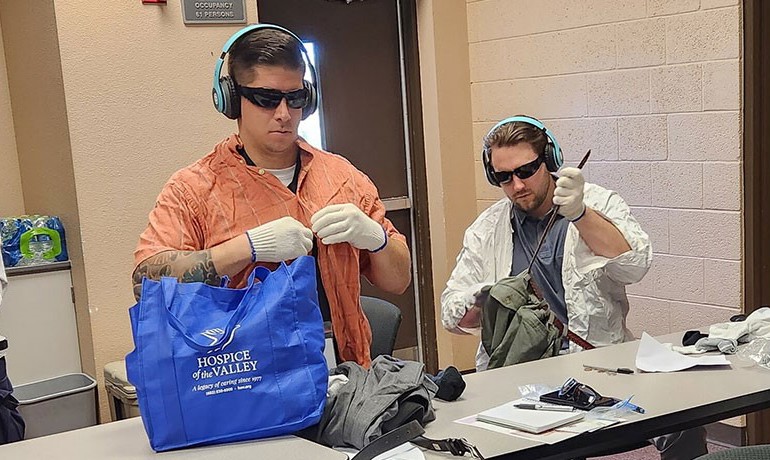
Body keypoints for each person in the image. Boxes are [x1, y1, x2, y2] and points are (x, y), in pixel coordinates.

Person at [132, 24, 411, 367]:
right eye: (266, 99)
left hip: (345, 377)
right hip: (246, 383)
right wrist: (244, 248)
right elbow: (145, 282)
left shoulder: (343, 177)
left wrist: (376, 238)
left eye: (295, 99)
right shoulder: (194, 188)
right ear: (232, 99)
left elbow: (399, 280)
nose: (283, 113)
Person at [440, 115, 706, 460]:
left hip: (599, 364)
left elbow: (635, 264)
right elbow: (451, 315)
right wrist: (483, 300)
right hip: (517, 375)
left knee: (685, 419)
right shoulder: (487, 229)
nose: (517, 185)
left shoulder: (598, 203)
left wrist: (581, 214)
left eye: (526, 171)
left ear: (549, 160)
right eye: (504, 177)